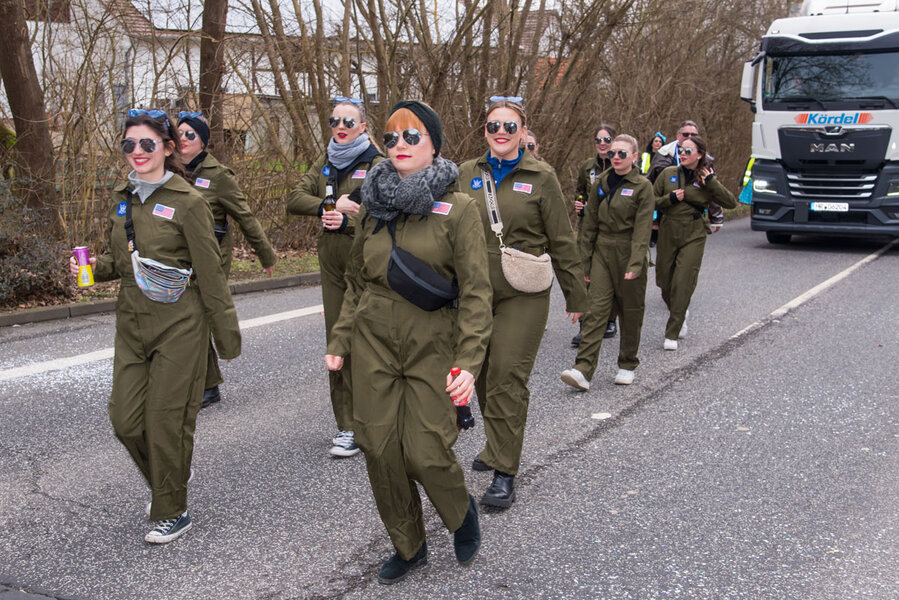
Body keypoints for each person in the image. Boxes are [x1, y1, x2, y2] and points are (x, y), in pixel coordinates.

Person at [325, 101, 491, 584]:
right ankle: (409, 544)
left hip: (431, 340)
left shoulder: (459, 209)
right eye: (392, 137)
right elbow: (357, 281)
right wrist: (340, 339)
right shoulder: (373, 204)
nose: (399, 144)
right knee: (378, 448)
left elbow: (477, 293)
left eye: (412, 136)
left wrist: (468, 362)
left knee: (424, 450)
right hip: (373, 340)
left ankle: (459, 510)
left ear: (434, 145)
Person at [69, 109, 240, 543]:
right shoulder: (122, 196)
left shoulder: (189, 202)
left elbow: (211, 274)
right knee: (125, 421)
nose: (137, 152)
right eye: (129, 144)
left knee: (166, 421)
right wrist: (93, 269)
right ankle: (171, 475)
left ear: (167, 148)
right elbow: (122, 258)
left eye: (147, 144)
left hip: (180, 322)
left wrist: (226, 335)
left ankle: (173, 508)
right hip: (132, 320)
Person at [458, 97, 586, 509]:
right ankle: (496, 444)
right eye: (493, 126)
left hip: (523, 291)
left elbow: (562, 238)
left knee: (506, 376)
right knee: (481, 375)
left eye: (509, 127)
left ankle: (504, 471)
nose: (500, 132)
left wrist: (576, 294)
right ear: (485, 131)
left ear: (522, 132)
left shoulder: (541, 176)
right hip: (475, 290)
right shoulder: (467, 172)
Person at [287, 96, 384, 458]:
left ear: (363, 127)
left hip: (367, 260)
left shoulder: (377, 163)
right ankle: (347, 426)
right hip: (331, 261)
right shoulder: (325, 161)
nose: (340, 128)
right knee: (337, 342)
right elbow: (294, 198)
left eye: (348, 122)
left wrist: (347, 219)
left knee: (369, 341)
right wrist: (328, 206)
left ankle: (377, 415)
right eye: (334, 122)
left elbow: (380, 213)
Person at [177, 111, 277, 409]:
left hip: (211, 258)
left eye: (190, 134)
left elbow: (245, 217)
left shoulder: (218, 176)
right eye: (179, 134)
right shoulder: (168, 172)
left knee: (198, 316)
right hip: (179, 257)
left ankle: (208, 385)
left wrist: (266, 255)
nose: (183, 139)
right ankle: (198, 381)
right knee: (185, 317)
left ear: (203, 141)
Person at [560, 134, 653, 390]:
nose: (616, 157)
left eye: (622, 153)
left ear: (634, 157)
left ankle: (627, 363)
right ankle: (582, 369)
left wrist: (635, 263)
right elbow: (589, 224)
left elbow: (643, 228)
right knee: (595, 310)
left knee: (630, 311)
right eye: (612, 153)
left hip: (628, 250)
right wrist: (585, 263)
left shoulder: (642, 186)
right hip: (602, 250)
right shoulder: (601, 181)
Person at [653, 135, 737, 350]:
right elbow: (650, 201)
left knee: (683, 281)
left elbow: (730, 203)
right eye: (681, 150)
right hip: (668, 230)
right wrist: (670, 199)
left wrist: (712, 183)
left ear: (699, 155)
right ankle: (680, 312)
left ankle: (672, 331)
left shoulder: (706, 178)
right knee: (664, 282)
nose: (682, 154)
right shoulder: (668, 173)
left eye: (688, 151)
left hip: (694, 232)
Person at [572, 124, 618, 347]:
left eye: (606, 139)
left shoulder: (620, 165)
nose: (602, 144)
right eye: (598, 140)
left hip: (612, 229)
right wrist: (579, 203)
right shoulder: (587, 166)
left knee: (610, 275)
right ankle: (586, 326)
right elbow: (580, 190)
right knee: (586, 274)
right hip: (588, 229)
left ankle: (609, 319)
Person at [647, 120, 724, 232]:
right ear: (678, 135)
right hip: (666, 211)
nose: (689, 137)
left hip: (693, 214)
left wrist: (716, 217)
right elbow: (649, 181)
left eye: (693, 135)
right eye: (685, 134)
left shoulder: (704, 159)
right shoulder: (664, 154)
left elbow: (712, 187)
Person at [641, 132, 666, 247]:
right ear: (651, 143)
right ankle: (650, 236)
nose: (658, 143)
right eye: (656, 141)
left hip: (661, 186)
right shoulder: (645, 156)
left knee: (660, 209)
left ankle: (659, 236)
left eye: (660, 142)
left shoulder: (666, 157)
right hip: (647, 184)